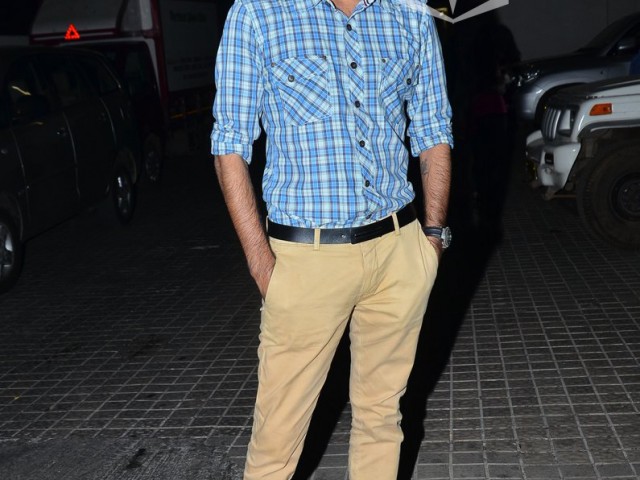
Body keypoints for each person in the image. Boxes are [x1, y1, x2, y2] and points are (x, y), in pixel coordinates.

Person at [211, 0, 453, 478]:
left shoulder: (410, 14)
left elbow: (433, 129)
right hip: (307, 258)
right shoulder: (258, 13)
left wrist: (431, 238)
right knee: (278, 439)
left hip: (398, 249)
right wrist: (262, 264)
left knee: (382, 417)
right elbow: (229, 147)